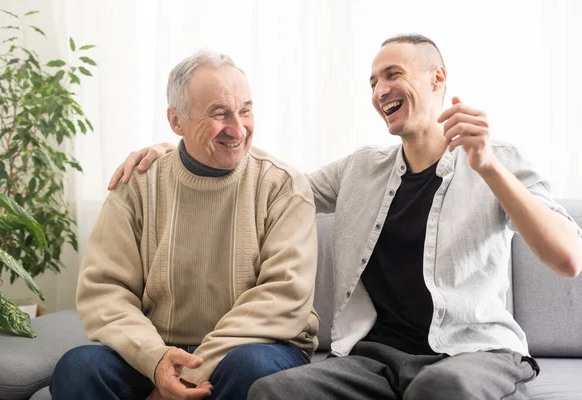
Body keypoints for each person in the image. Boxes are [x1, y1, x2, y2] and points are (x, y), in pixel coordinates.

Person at [109, 35, 582, 399]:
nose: (380, 90)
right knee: (275, 391)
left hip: (474, 351)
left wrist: (489, 168)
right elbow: (263, 186)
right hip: (373, 359)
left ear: (438, 78)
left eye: (392, 75)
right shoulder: (361, 169)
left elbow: (568, 259)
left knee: (441, 388)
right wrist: (178, 153)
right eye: (373, 82)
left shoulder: (499, 158)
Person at [50, 50, 319, 400]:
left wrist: (192, 373)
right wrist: (157, 360)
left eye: (246, 110)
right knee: (77, 368)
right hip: (158, 349)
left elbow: (285, 297)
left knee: (250, 368)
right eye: (220, 114)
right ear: (177, 122)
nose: (238, 129)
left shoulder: (283, 185)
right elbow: (105, 292)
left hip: (257, 348)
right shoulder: (138, 185)